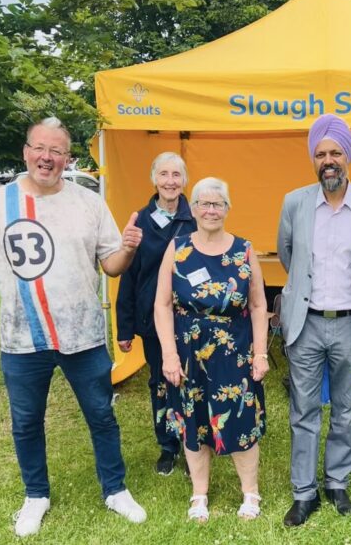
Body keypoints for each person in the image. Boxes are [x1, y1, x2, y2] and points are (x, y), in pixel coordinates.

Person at [0, 117, 147, 538]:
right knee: (27, 421)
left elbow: (111, 265)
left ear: (69, 158)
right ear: (25, 151)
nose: (47, 157)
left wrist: (129, 250)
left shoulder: (88, 202)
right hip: (21, 339)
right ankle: (36, 495)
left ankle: (115, 489)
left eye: (57, 151)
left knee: (102, 415)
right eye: (39, 148)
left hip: (83, 336)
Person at [277, 113, 351, 527]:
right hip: (305, 323)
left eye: (335, 152)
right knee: (303, 410)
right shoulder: (294, 202)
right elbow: (288, 255)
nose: (328, 160)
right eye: (321, 153)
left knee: (345, 408)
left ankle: (337, 481)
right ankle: (304, 492)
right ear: (313, 159)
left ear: (348, 156)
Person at [154, 177, 269, 522]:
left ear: (227, 209)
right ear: (193, 209)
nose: (210, 210)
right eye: (203, 203)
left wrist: (261, 353)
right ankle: (199, 494)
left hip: (234, 352)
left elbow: (260, 305)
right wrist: (169, 355)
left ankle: (250, 493)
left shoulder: (244, 250)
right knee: (194, 423)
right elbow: (161, 305)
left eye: (217, 203)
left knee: (241, 421)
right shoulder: (178, 248)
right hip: (188, 354)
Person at [116, 152, 196, 476]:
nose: (170, 181)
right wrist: (124, 328)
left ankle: (194, 444)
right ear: (154, 179)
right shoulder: (141, 222)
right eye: (163, 174)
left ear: (184, 180)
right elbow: (128, 276)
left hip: (189, 319)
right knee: (162, 382)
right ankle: (168, 446)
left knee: (191, 382)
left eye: (176, 175)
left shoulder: (196, 219)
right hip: (152, 322)